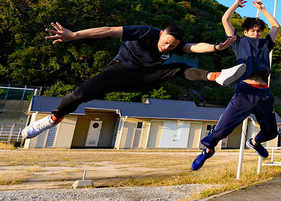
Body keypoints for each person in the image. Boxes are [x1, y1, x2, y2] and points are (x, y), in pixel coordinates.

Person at [23, 22, 245, 140]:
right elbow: (108, 31)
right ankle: (53, 118)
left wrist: (216, 47)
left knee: (179, 68)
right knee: (77, 95)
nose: (167, 47)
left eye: (172, 46)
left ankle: (217, 76)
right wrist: (73, 36)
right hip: (118, 71)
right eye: (166, 42)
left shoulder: (177, 45)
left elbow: (194, 47)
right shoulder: (144, 32)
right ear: (160, 34)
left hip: (143, 78)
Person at [192, 0, 281, 171]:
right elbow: (225, 19)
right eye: (253, 31)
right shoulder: (238, 42)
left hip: (264, 93)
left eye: (259, 31)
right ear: (246, 31)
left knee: (271, 132)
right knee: (222, 129)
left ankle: (254, 142)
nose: (256, 33)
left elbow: (276, 26)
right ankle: (207, 151)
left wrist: (263, 10)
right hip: (246, 91)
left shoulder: (265, 44)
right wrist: (235, 5)